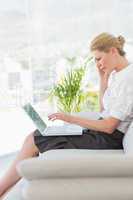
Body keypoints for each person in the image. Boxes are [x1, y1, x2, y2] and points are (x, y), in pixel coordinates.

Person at [0, 32, 133, 197]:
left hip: (107, 139)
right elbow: (103, 111)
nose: (98, 64)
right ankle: (7, 189)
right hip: (101, 134)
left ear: (113, 51)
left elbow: (109, 126)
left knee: (34, 138)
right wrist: (102, 79)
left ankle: (1, 189)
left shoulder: (129, 78)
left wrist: (70, 118)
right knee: (37, 136)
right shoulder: (117, 74)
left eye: (99, 58)